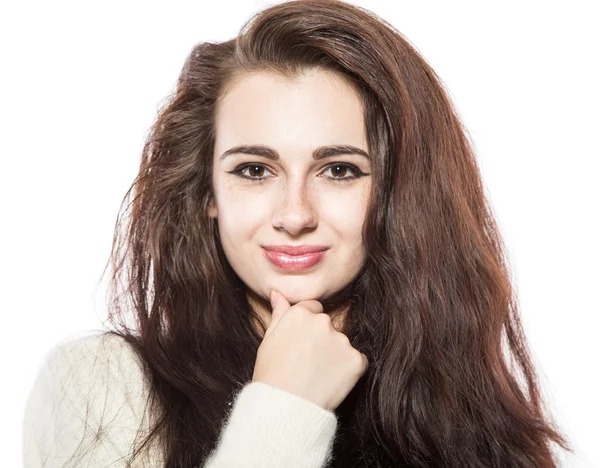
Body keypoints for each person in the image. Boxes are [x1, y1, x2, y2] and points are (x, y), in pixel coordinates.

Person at [22, 0, 574, 467]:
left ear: (399, 192)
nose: (294, 214)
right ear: (207, 193)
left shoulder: (477, 425)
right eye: (254, 170)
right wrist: (284, 407)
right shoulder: (100, 386)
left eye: (339, 170)